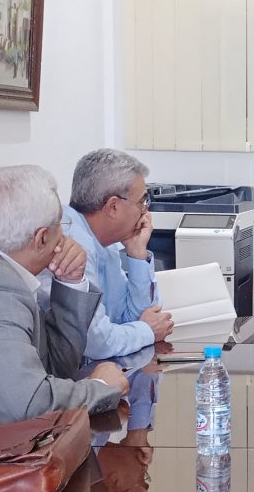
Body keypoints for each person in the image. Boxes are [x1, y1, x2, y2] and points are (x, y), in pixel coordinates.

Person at [0, 165, 128, 427]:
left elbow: (54, 368)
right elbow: (29, 405)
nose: (64, 237)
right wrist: (101, 387)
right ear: (42, 238)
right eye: (60, 226)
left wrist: (71, 282)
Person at [52, 149, 174, 360]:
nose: (145, 211)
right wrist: (147, 331)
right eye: (142, 202)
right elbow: (96, 343)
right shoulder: (70, 244)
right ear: (113, 206)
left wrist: (137, 254)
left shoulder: (105, 242)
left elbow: (135, 317)